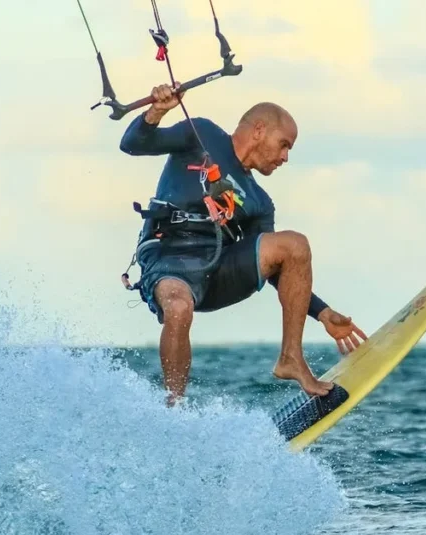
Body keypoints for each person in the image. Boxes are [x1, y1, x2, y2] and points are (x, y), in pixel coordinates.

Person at [120, 82, 367, 404]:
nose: (285, 157)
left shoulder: (259, 201)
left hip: (216, 268)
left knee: (293, 245)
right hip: (169, 256)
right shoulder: (203, 134)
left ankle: (290, 358)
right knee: (178, 307)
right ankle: (174, 406)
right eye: (283, 145)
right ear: (259, 130)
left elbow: (279, 270)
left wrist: (322, 313)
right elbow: (132, 144)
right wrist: (157, 111)